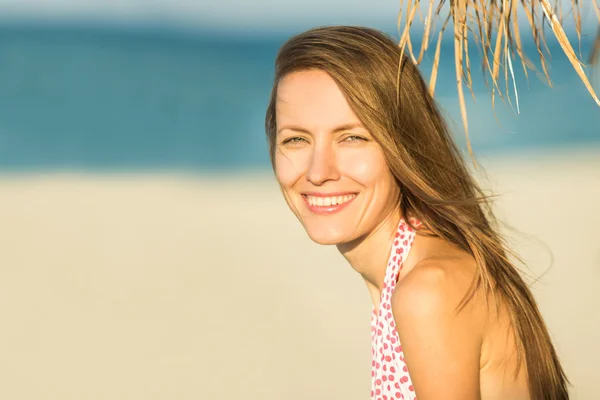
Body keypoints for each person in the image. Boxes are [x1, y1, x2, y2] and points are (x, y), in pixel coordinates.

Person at [264, 26, 568, 400]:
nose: (317, 171)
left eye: (352, 138)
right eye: (296, 139)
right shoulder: (415, 271)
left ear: (403, 145)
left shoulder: (427, 290)